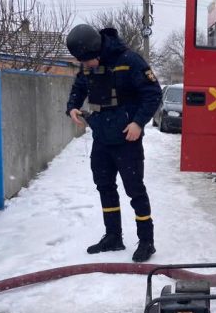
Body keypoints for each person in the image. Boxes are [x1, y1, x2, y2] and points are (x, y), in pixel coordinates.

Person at [65, 24, 162, 262]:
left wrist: (138, 123)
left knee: (135, 190)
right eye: (83, 61)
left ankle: (146, 241)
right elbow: (79, 88)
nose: (86, 65)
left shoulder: (129, 60)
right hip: (101, 135)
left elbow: (153, 93)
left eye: (88, 60)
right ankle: (113, 236)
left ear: (97, 50)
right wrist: (72, 107)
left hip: (126, 137)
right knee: (105, 187)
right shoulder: (87, 65)